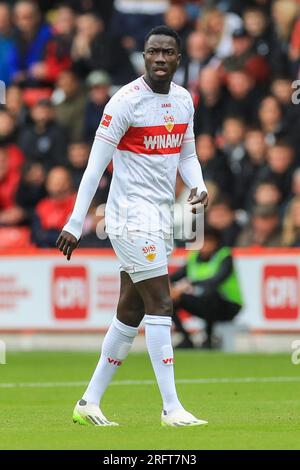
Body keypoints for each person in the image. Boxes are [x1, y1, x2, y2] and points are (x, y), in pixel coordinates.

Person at [56, 25, 209, 427]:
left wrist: (199, 184)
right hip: (126, 218)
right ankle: (171, 407)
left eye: (168, 52)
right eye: (153, 52)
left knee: (131, 310)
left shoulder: (183, 101)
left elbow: (187, 154)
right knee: (161, 302)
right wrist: (76, 221)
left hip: (159, 217)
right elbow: (94, 167)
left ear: (179, 58)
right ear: (143, 56)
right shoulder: (123, 102)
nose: (160, 58)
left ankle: (88, 401)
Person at [170, 226, 242, 349]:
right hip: (205, 303)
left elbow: (216, 280)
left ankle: (209, 339)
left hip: (228, 305)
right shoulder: (193, 258)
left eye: (207, 241)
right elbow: (176, 276)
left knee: (210, 295)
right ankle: (186, 339)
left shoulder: (224, 256)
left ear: (215, 242)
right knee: (170, 300)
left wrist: (189, 285)